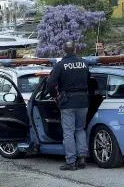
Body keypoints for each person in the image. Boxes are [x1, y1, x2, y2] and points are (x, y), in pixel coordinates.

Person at [47, 41, 90, 171]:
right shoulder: (84, 63)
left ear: (63, 51)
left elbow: (50, 83)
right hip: (83, 101)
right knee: (80, 129)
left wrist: (55, 95)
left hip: (68, 102)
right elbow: (90, 79)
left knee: (69, 132)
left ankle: (71, 162)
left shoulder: (60, 65)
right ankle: (82, 157)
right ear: (75, 50)